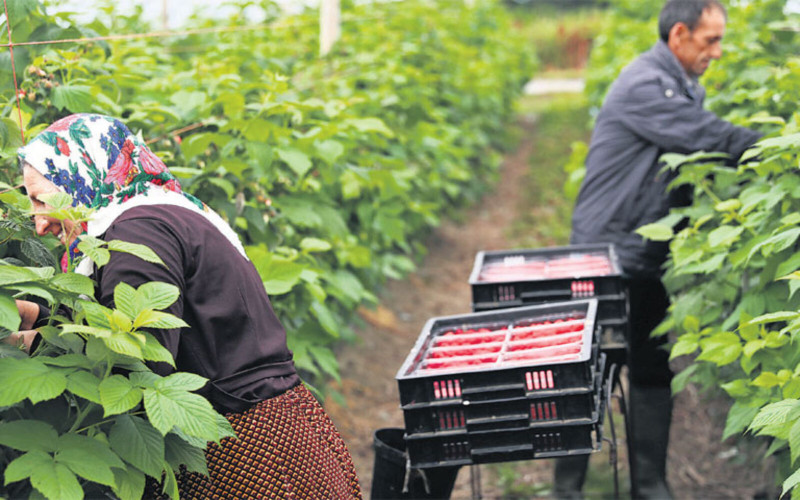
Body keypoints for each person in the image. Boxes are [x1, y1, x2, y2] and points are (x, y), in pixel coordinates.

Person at [12, 113, 362, 499]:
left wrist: (23, 347)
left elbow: (136, 359)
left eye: (40, 200)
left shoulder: (137, 233)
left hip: (243, 454)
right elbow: (111, 319)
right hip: (274, 430)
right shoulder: (159, 211)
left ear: (78, 177)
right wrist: (27, 312)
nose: (38, 223)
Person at [555, 1, 761, 498]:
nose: (718, 50)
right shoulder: (646, 84)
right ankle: (568, 490)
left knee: (648, 363)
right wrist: (778, 150)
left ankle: (649, 485)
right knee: (586, 373)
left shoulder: (682, 84)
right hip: (608, 252)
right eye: (710, 40)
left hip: (640, 251)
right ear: (679, 35)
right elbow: (707, 136)